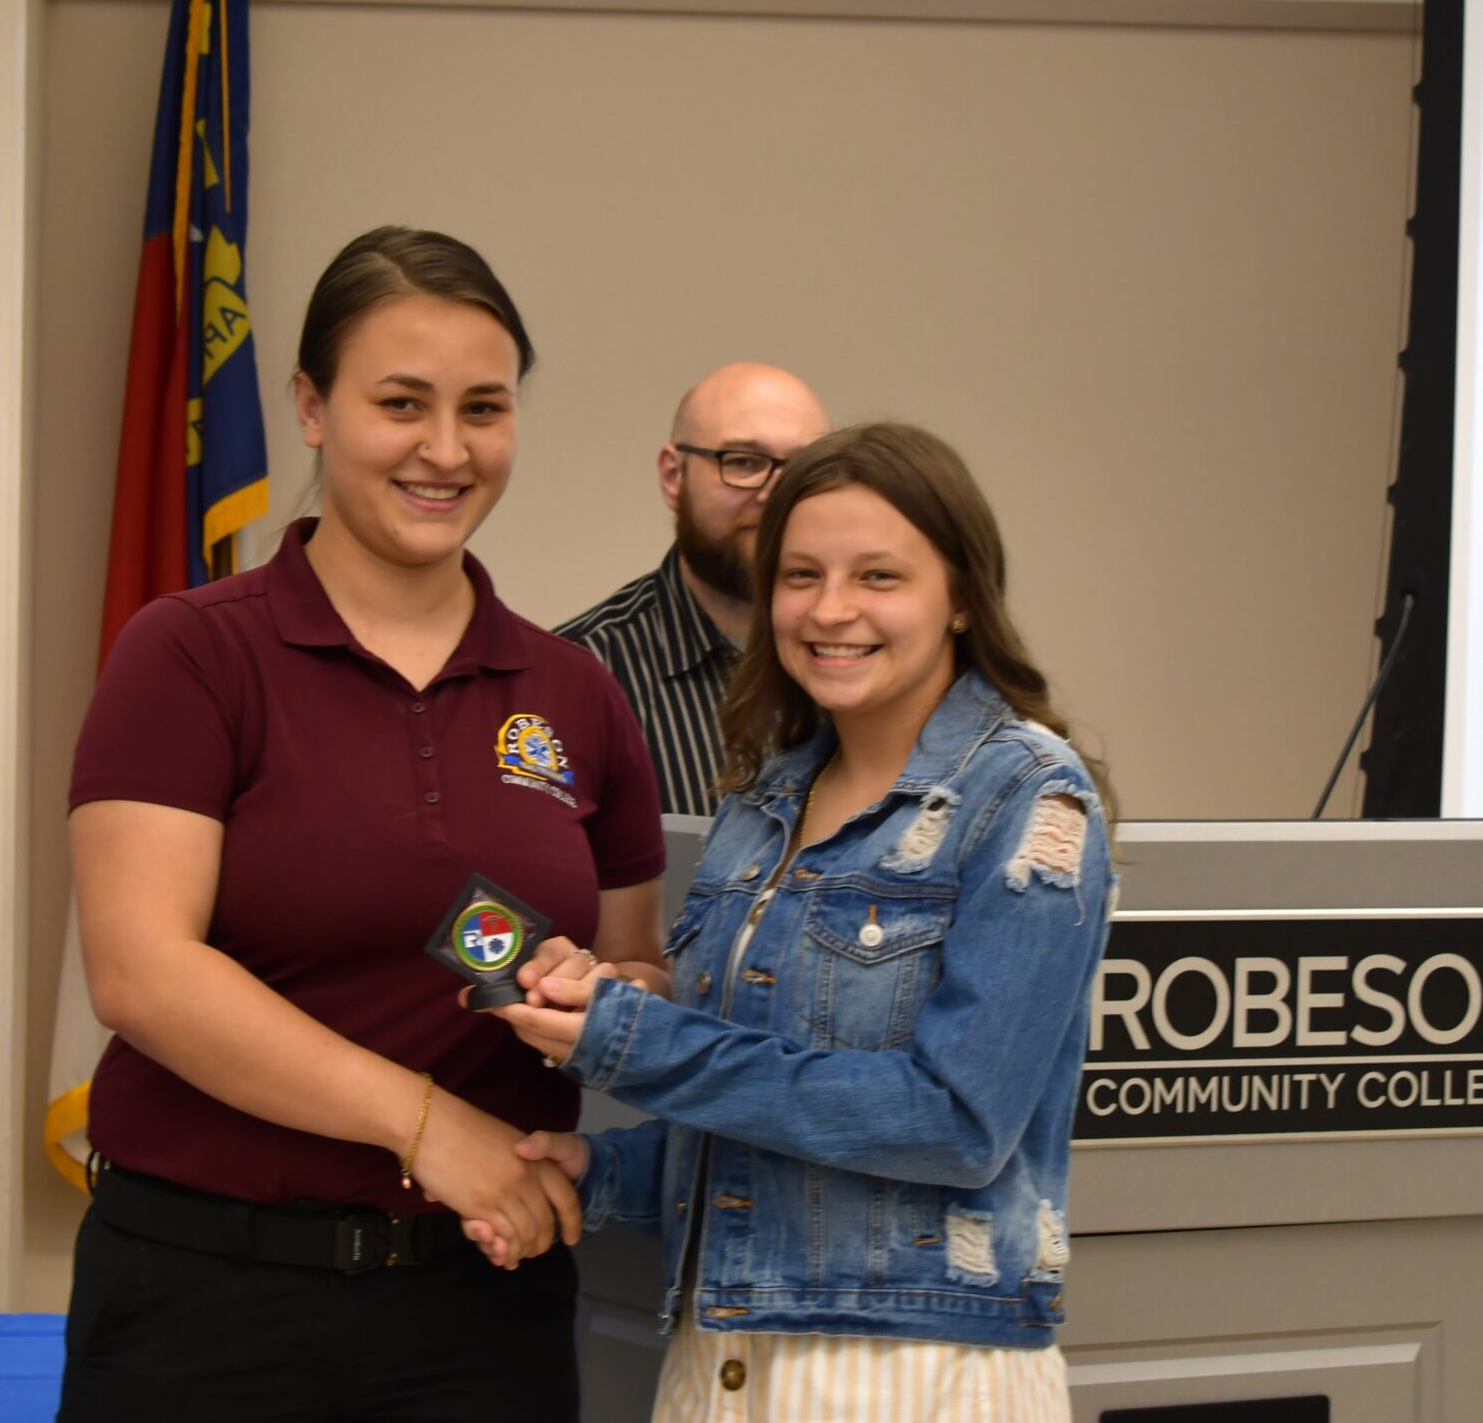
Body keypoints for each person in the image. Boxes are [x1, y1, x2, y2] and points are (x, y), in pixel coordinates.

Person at [59, 227, 672, 1421]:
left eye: (483, 408)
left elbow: (637, 960)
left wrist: (597, 995)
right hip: (205, 1299)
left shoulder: (574, 690)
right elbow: (139, 973)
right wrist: (428, 1128)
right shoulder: (192, 654)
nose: (446, 449)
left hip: (480, 1308)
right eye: (401, 403)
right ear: (310, 407)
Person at [491, 422, 1114, 1421]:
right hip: (719, 1359)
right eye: (800, 575)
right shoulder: (763, 799)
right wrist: (601, 1172)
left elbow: (957, 1125)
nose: (830, 609)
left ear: (961, 596)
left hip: (915, 1373)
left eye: (878, 576)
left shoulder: (1029, 793)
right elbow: (766, 1108)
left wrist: (635, 1041)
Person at [557, 362, 830, 816]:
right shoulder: (575, 679)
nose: (776, 494)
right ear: (673, 476)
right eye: (743, 462)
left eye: (802, 469)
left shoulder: (863, 659)